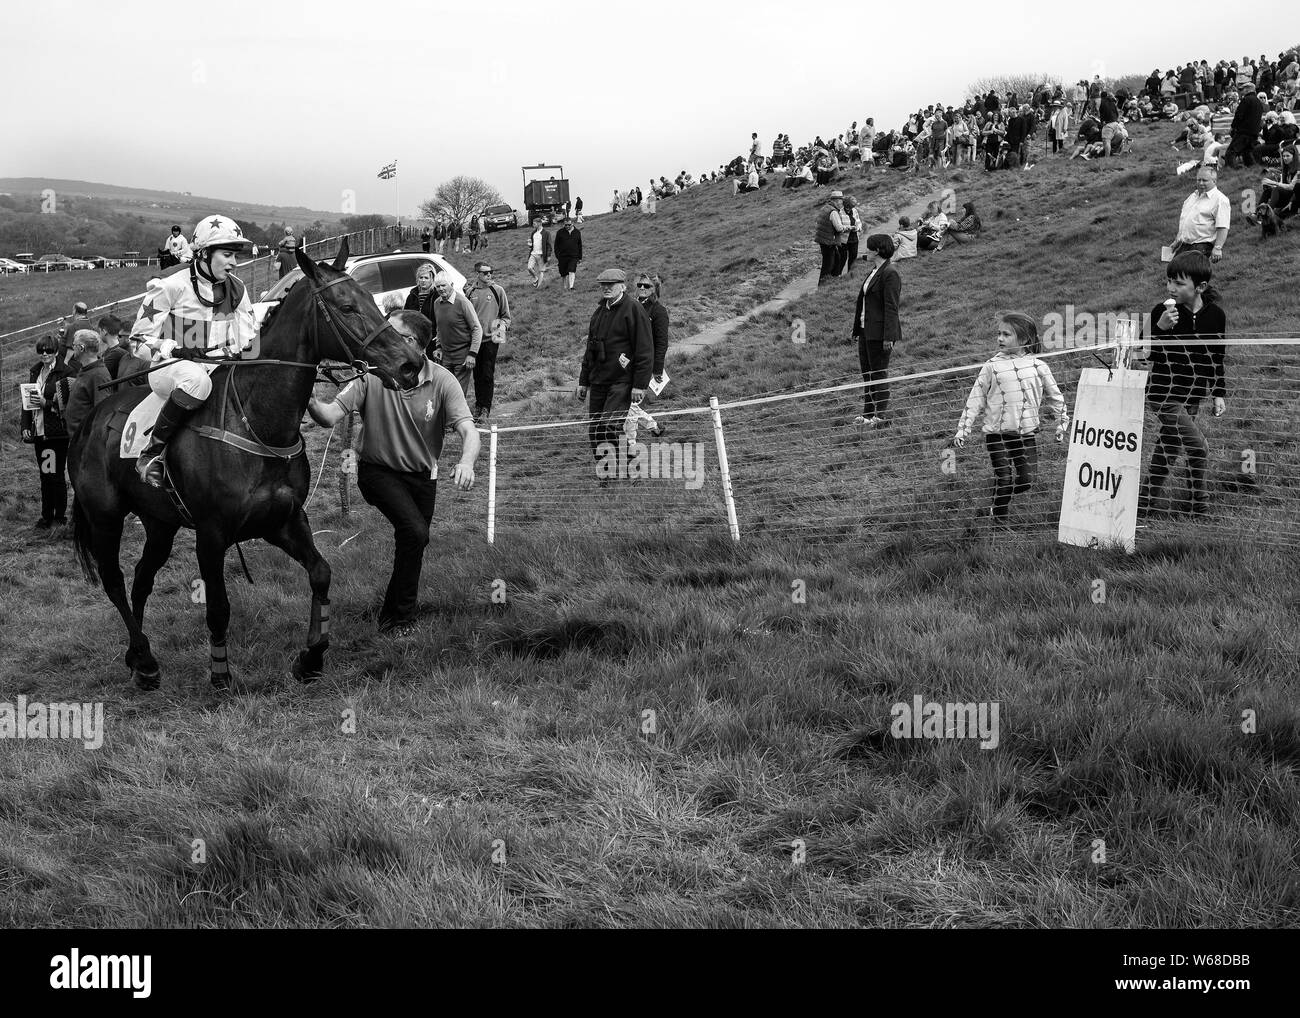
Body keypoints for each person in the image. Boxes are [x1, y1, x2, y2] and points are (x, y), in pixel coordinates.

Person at [306, 310, 479, 635]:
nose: (382, 337)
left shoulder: (442, 379)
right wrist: (312, 401)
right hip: (377, 472)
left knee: (413, 542)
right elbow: (330, 416)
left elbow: (469, 431)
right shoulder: (371, 376)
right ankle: (399, 619)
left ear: (413, 343)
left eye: (392, 333)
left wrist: (467, 461)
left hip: (422, 478)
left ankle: (395, 615)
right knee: (415, 532)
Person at [130, 214, 258, 487]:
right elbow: (137, 341)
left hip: (216, 366)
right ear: (203, 253)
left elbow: (249, 343)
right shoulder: (169, 283)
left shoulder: (237, 289)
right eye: (227, 254)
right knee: (196, 381)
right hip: (168, 369)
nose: (234, 263)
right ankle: (152, 454)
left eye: (235, 255)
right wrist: (172, 349)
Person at [954, 312, 1067, 524]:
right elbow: (975, 398)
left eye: (1006, 334)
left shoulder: (1038, 366)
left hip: (1026, 434)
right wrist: (964, 427)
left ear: (1024, 339)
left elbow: (1056, 397)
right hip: (997, 434)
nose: (1000, 338)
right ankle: (998, 518)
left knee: (1027, 480)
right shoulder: (991, 366)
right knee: (1004, 478)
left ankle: (998, 500)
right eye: (999, 334)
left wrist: (1062, 423)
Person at [1140, 251, 1227, 516]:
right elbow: (1145, 354)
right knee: (1198, 446)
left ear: (1200, 287)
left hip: (1193, 395)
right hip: (1163, 394)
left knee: (1168, 447)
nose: (1171, 288)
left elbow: (1217, 357)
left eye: (1179, 283)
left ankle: (1145, 502)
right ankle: (1198, 504)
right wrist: (1161, 328)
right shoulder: (1161, 312)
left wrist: (1218, 393)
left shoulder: (1216, 316)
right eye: (1169, 281)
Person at [576, 269, 653, 474]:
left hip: (622, 381)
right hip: (599, 380)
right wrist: (583, 381)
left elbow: (645, 349)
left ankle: (633, 464)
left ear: (623, 286)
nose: (606, 288)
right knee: (595, 430)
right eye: (603, 284)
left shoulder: (633, 309)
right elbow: (590, 349)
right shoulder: (599, 312)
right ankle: (606, 473)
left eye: (611, 284)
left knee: (610, 426)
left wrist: (640, 384)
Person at [19, 335, 73, 534]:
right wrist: (25, 425)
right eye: (41, 350)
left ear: (56, 352)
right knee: (45, 474)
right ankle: (46, 515)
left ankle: (59, 517)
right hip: (40, 432)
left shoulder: (66, 372)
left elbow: (68, 405)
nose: (44, 354)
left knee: (55, 475)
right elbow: (27, 402)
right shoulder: (35, 371)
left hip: (56, 434)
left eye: (49, 351)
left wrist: (46, 404)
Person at [850, 234, 902, 428]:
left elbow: (891, 307)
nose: (866, 251)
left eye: (869, 248)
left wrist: (889, 336)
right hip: (866, 332)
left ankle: (880, 415)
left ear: (878, 250)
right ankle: (867, 414)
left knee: (879, 373)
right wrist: (857, 329)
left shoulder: (890, 273)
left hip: (880, 334)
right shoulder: (874, 271)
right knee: (867, 374)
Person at [624, 272, 669, 442]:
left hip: (644, 363)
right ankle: (653, 427)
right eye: (640, 285)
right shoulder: (631, 306)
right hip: (627, 362)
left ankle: (631, 443)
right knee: (628, 402)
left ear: (654, 289)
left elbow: (662, 343)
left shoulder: (659, 311)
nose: (642, 288)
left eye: (647, 285)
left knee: (632, 404)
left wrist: (657, 369)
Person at [464, 261, 511, 425]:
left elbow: (506, 316)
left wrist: (501, 329)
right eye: (485, 273)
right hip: (475, 340)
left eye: (491, 272)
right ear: (477, 274)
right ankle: (478, 405)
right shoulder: (470, 292)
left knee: (487, 373)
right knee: (476, 375)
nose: (489, 275)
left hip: (492, 339)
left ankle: (486, 408)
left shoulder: (498, 290)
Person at [428, 270, 482, 399]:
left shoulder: (462, 302)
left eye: (443, 285)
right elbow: (440, 328)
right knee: (445, 391)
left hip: (462, 355)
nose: (441, 289)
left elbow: (476, 329)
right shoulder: (437, 303)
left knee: (457, 394)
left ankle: (459, 418)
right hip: (446, 356)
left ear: (451, 284)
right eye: (438, 286)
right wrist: (439, 347)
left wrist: (472, 354)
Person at [1171, 165, 1230, 262]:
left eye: (1204, 180)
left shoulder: (1220, 200)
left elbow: (1223, 227)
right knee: (1174, 272)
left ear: (1214, 181)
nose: (1201, 183)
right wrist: (1178, 239)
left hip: (1201, 247)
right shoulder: (1192, 196)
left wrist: (1217, 248)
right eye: (1198, 180)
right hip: (1185, 245)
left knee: (1189, 275)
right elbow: (1185, 220)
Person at [64, 329, 112, 438]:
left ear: (81, 348)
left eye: (74, 345)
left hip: (87, 441)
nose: (72, 347)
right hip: (78, 439)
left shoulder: (98, 375)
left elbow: (103, 413)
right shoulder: (86, 370)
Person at [814, 190, 850, 285]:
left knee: (836, 260)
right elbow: (839, 228)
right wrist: (849, 228)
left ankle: (832, 283)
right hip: (829, 241)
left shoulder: (825, 208)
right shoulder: (833, 212)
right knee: (828, 265)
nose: (841, 203)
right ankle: (822, 287)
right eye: (840, 200)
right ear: (836, 201)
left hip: (824, 239)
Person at [1226, 82, 1263, 168]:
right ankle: (1252, 168)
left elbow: (1239, 116)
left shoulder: (1246, 100)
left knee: (1231, 152)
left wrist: (1233, 127)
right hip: (1254, 132)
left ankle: (1230, 170)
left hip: (1244, 132)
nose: (1240, 91)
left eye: (1242, 89)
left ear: (1247, 89)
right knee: (1247, 152)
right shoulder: (1258, 102)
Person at [553, 217, 583, 291]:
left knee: (571, 270)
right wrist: (558, 256)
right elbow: (556, 245)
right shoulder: (560, 232)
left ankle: (571, 287)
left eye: (569, 225)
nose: (567, 226)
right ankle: (564, 287)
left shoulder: (577, 232)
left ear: (572, 224)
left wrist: (580, 257)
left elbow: (580, 245)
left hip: (574, 256)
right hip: (562, 256)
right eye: (565, 225)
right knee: (563, 273)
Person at [840, 195, 864, 275]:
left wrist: (858, 228)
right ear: (845, 205)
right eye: (848, 207)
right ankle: (837, 275)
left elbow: (858, 221)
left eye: (851, 207)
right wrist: (849, 228)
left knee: (853, 258)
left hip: (854, 238)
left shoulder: (855, 210)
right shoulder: (839, 212)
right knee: (842, 259)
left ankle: (850, 275)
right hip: (843, 240)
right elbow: (838, 227)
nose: (850, 209)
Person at [526, 219, 552, 289]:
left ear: (539, 223)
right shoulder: (533, 233)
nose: (533, 225)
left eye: (534, 224)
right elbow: (531, 244)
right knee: (529, 268)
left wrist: (549, 255)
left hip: (541, 255)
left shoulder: (546, 233)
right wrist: (529, 245)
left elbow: (549, 245)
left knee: (541, 271)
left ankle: (538, 287)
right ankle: (535, 278)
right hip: (533, 253)